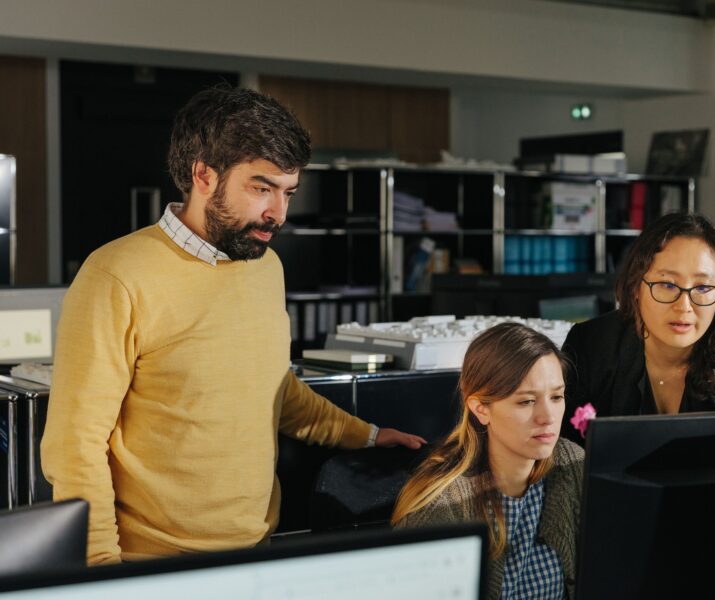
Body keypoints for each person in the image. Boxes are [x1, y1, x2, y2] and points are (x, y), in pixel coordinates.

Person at [41, 86, 426, 565]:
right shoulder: (116, 275)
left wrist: (364, 435)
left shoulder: (266, 266)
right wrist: (102, 572)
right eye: (261, 188)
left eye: (288, 193)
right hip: (154, 567)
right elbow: (75, 447)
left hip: (256, 553)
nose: (278, 213)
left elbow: (273, 387)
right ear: (204, 174)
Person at [392, 323, 583, 600]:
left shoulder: (572, 465)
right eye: (526, 401)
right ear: (481, 408)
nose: (548, 416)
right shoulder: (440, 508)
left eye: (556, 397)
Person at [561, 212, 715, 442]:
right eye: (667, 284)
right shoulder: (591, 345)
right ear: (636, 287)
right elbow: (565, 454)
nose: (684, 306)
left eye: (703, 288)